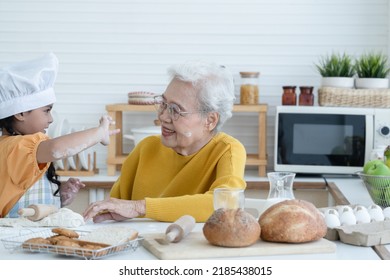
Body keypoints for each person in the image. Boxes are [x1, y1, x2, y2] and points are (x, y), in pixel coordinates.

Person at [83, 60, 247, 223]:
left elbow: (225, 205)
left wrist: (139, 207)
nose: (162, 116)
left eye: (175, 110)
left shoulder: (228, 150)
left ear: (210, 120)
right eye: (163, 104)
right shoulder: (146, 148)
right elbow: (116, 207)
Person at [0, 53, 119, 218]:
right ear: (20, 113)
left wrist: (59, 197)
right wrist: (99, 133)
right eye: (46, 111)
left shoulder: (18, 149)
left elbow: (20, 194)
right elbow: (56, 149)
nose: (51, 119)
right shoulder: (17, 146)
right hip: (18, 232)